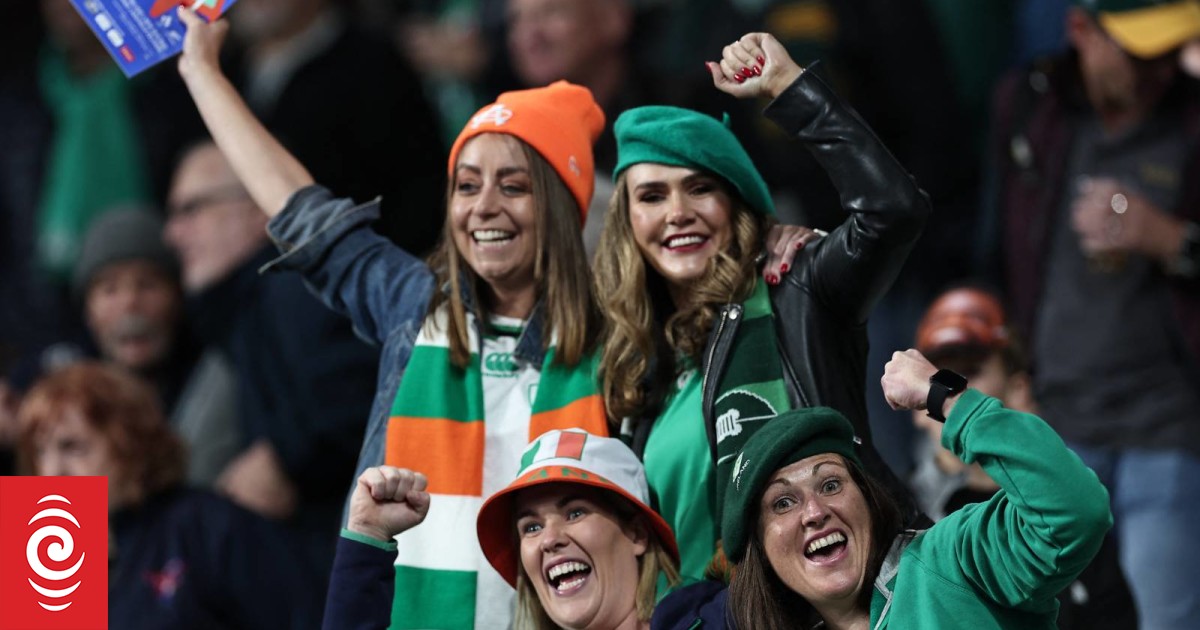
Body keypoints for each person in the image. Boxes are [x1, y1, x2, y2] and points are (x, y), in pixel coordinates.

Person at [175, 8, 610, 628]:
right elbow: (302, 213)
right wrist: (201, 72)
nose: (483, 206)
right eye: (466, 185)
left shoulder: (616, 342)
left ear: (563, 209)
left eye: (514, 186)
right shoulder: (416, 306)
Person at [593, 31, 929, 580]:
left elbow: (894, 209)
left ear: (739, 206)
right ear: (627, 222)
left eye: (700, 189)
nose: (677, 212)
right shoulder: (635, 358)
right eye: (652, 196)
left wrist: (789, 88)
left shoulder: (796, 289)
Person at [984, 1, 1200, 626]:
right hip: (1057, 420)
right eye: (1138, 50)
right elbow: (997, 242)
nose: (1158, 67)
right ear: (1082, 31)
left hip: (1168, 428)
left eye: (1169, 49)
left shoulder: (1191, 117)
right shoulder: (1034, 107)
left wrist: (1172, 240)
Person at [706, 349, 1112, 629]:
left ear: (868, 498)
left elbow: (1074, 511)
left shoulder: (950, 561)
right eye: (783, 503)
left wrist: (947, 399)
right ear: (761, 548)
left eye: (830, 484)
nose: (814, 512)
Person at [163, 140, 379, 594]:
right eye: (105, 289)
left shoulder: (294, 292)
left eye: (192, 209)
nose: (173, 234)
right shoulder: (229, 321)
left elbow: (370, 391)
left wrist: (283, 458)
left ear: (257, 208)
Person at [16, 362, 321, 629]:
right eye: (40, 452)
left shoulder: (206, 524)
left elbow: (308, 616)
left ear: (130, 442)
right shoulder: (46, 539)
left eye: (72, 447)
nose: (52, 472)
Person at [911, 285, 1137, 630]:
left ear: (1018, 390)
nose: (944, 394)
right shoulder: (896, 509)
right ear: (913, 406)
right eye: (935, 380)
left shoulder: (1069, 498)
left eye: (968, 373)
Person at [326, 429, 681, 630]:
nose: (549, 539)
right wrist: (368, 535)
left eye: (575, 513)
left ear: (637, 534)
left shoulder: (713, 619)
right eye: (531, 526)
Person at [73, 206, 239, 488]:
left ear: (178, 298)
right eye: (109, 289)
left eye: (147, 285)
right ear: (88, 311)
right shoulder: (55, 386)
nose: (129, 302)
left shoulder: (222, 374)